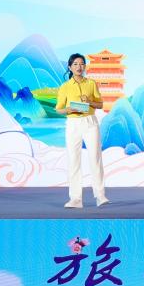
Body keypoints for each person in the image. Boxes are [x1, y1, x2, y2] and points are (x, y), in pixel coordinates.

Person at [56, 53, 109, 208]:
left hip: (90, 122)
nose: (79, 67)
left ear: (85, 66)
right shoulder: (65, 87)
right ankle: (76, 199)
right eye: (75, 64)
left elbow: (100, 105)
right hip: (73, 123)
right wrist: (69, 109)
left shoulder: (91, 83)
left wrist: (90, 101)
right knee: (74, 160)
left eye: (82, 64)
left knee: (95, 158)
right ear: (70, 67)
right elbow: (58, 109)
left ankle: (100, 196)